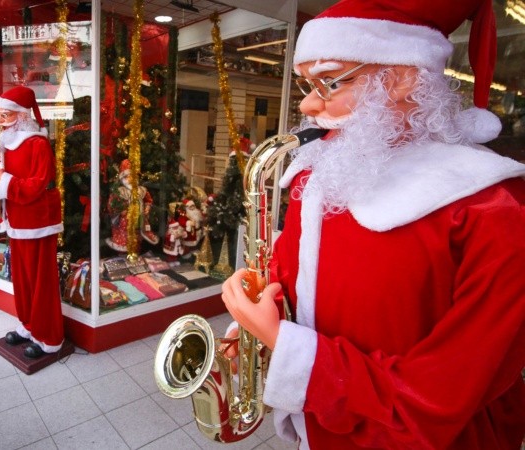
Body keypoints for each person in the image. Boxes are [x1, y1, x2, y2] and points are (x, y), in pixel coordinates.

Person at [220, 0, 525, 449]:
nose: (307, 104)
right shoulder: (319, 174)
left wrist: (283, 344)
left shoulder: (491, 208)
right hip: (320, 428)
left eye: (328, 82)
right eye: (308, 85)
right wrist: (255, 321)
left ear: (401, 78)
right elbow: (293, 276)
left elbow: (440, 396)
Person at [0, 86, 64, 359]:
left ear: (20, 115)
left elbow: (37, 186)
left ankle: (49, 337)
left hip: (38, 220)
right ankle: (29, 325)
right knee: (23, 280)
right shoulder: (5, 142)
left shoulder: (37, 144)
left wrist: (1, 178)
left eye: (3, 115)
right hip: (16, 220)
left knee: (41, 282)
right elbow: (5, 181)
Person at [105, 159, 160, 253]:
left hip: (139, 218)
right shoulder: (119, 192)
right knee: (124, 240)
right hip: (124, 222)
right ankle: (123, 254)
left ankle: (135, 252)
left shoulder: (142, 190)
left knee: (137, 237)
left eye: (133, 176)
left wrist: (147, 208)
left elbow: (148, 201)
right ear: (122, 178)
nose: (130, 179)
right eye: (127, 177)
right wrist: (120, 211)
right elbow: (111, 205)